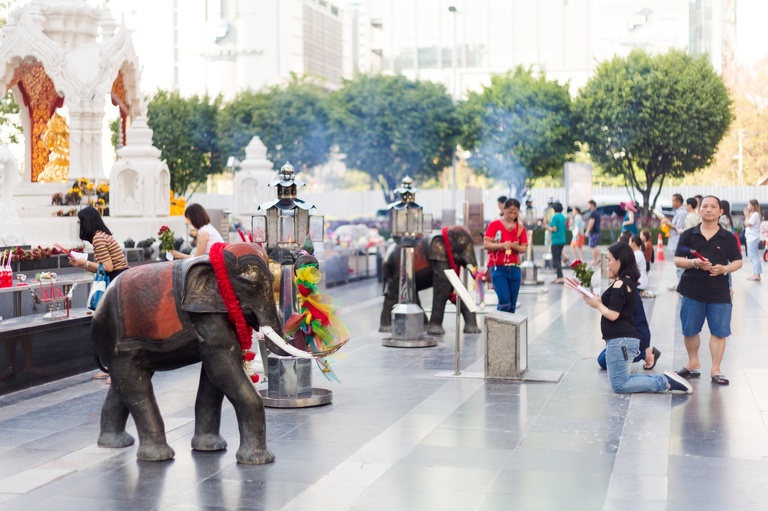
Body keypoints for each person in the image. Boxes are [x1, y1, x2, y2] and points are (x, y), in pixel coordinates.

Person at [582, 242, 691, 394]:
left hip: (621, 341)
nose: (607, 263)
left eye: (609, 259)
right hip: (622, 341)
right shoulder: (624, 282)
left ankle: (665, 382)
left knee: (620, 385)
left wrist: (597, 305)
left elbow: (613, 315)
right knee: (622, 380)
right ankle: (665, 380)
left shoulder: (621, 284)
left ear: (620, 261)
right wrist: (597, 301)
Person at [674, 196, 742, 386]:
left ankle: (716, 369)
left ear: (721, 212)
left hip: (719, 292)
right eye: (705, 206)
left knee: (719, 332)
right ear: (699, 210)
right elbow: (678, 260)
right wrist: (694, 263)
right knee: (689, 330)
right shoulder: (688, 234)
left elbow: (738, 261)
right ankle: (693, 361)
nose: (709, 209)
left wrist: (725, 269)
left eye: (713, 207)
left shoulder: (728, 237)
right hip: (692, 289)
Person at [69, 206, 130, 382]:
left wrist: (83, 262)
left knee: (113, 329)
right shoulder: (103, 236)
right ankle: (111, 368)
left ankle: (116, 371)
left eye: (80, 222)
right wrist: (82, 263)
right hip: (120, 279)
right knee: (111, 328)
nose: (79, 226)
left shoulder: (98, 238)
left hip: (115, 281)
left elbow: (108, 268)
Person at [484, 198, 528, 313]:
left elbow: (524, 248)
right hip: (498, 268)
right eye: (509, 212)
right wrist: (502, 245)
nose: (512, 215)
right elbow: (486, 244)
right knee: (504, 302)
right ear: (504, 209)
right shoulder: (494, 225)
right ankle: (498, 329)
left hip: (515, 269)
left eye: (515, 213)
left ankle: (509, 330)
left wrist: (516, 247)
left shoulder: (520, 228)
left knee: (512, 305)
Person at [662, 194, 688, 291]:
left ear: (678, 201)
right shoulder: (678, 212)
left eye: (673, 201)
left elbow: (679, 228)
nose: (672, 203)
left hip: (678, 242)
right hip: (675, 241)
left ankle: (681, 285)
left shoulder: (681, 213)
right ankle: (679, 284)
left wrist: (669, 223)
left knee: (680, 265)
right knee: (678, 266)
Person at [545, 202, 567, 284]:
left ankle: (560, 277)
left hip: (556, 240)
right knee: (558, 258)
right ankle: (559, 276)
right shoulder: (562, 217)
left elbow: (554, 229)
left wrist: (547, 227)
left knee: (556, 260)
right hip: (562, 239)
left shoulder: (554, 217)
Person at [743, 199, 762, 282]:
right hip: (750, 238)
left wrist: (747, 216)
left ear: (753, 206)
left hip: (753, 238)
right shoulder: (752, 214)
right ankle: (755, 274)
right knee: (752, 257)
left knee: (754, 257)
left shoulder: (755, 214)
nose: (748, 206)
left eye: (749, 205)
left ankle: (757, 275)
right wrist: (747, 216)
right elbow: (745, 223)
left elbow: (748, 224)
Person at [585, 200, 601, 266]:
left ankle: (596, 259)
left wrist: (587, 231)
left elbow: (591, 223)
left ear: (592, 205)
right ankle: (598, 258)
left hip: (593, 232)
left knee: (593, 246)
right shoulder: (596, 212)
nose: (587, 206)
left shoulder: (593, 213)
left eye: (588, 204)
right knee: (594, 246)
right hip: (596, 231)